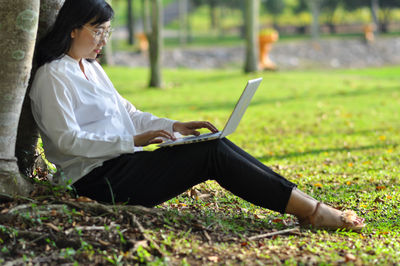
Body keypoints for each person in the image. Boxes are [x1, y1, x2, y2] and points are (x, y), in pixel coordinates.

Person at [30, 0, 365, 231]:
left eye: (107, 31)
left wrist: (171, 126)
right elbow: (65, 141)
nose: (103, 38)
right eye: (98, 30)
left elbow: (129, 113)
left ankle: (308, 208)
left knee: (214, 143)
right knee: (211, 154)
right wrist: (133, 140)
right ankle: (313, 211)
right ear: (73, 28)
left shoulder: (90, 67)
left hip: (124, 164)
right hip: (97, 181)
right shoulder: (53, 76)